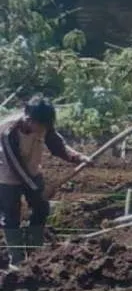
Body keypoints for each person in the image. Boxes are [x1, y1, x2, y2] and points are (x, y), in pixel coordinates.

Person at [0, 97, 91, 270]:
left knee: (41, 208)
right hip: (6, 173)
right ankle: (17, 260)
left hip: (32, 169)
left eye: (46, 126)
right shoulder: (8, 131)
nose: (43, 130)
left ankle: (35, 253)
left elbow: (57, 145)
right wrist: (39, 189)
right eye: (40, 126)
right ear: (28, 119)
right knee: (11, 216)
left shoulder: (43, 125)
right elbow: (16, 167)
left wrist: (78, 157)